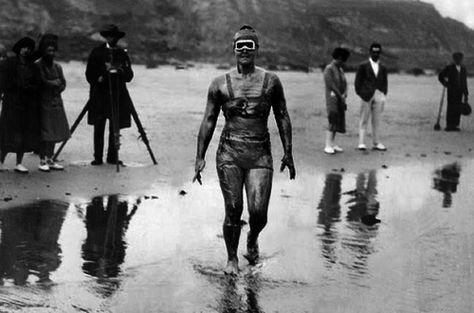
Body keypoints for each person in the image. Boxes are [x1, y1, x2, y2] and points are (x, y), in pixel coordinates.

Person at [193, 25, 296, 275]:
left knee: (259, 214)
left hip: (260, 153)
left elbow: (282, 115)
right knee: (234, 208)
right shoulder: (220, 84)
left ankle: (252, 239)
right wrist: (199, 157)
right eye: (240, 46)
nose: (245, 50)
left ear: (257, 49)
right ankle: (231, 260)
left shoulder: (271, 81)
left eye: (250, 45)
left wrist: (288, 152)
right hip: (229, 152)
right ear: (234, 50)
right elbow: (208, 119)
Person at [86, 24, 134, 165]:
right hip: (100, 95)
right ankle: (98, 157)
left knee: (115, 127)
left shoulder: (122, 54)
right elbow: (89, 74)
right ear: (106, 37)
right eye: (109, 36)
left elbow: (130, 75)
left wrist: (120, 71)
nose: (111, 39)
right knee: (99, 127)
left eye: (114, 37)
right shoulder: (96, 52)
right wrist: (99, 77)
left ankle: (113, 157)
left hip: (118, 95)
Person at [0, 37, 40, 173]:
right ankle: (1, 161)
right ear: (19, 48)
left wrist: (30, 88)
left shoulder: (32, 66)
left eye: (29, 48)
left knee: (23, 133)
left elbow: (37, 84)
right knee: (7, 133)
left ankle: (19, 163)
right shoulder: (9, 63)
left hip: (26, 104)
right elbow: (2, 81)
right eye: (24, 47)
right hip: (11, 102)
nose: (26, 50)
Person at [35, 34, 70, 172]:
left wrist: (57, 86)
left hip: (57, 102)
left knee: (56, 132)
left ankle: (50, 158)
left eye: (53, 51)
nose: (52, 53)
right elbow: (42, 82)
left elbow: (63, 82)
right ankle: (42, 159)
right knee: (46, 133)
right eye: (49, 50)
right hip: (43, 103)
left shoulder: (58, 67)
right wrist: (53, 83)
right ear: (44, 51)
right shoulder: (38, 66)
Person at [354, 43, 388, 151]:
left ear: (380, 53)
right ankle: (361, 143)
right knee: (364, 119)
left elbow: (385, 81)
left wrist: (383, 93)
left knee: (376, 120)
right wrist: (362, 94)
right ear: (370, 52)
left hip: (379, 95)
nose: (376, 54)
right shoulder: (363, 65)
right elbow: (357, 83)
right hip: (366, 95)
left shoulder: (383, 67)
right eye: (374, 52)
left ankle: (376, 142)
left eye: (378, 52)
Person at [323, 47, 350, 154]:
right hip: (332, 98)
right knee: (332, 118)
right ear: (338, 58)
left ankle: (332, 143)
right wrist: (341, 96)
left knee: (338, 120)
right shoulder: (329, 69)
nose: (342, 62)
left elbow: (345, 83)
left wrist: (345, 93)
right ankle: (327, 144)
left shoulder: (340, 69)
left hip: (339, 98)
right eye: (341, 60)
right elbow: (331, 85)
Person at [438, 52, 469, 131]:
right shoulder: (449, 68)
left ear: (461, 59)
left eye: (459, 58)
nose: (458, 60)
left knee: (458, 108)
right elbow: (440, 76)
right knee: (451, 107)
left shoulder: (463, 69)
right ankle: (449, 125)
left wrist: (466, 94)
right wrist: (447, 84)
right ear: (454, 59)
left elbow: (464, 82)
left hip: (460, 91)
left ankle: (455, 125)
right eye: (456, 58)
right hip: (452, 91)